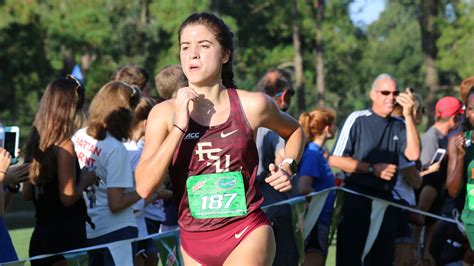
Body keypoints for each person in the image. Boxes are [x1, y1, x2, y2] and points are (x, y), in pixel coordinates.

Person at [135, 12, 304, 266]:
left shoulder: (253, 104)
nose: (193, 54)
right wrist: (180, 127)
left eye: (204, 46)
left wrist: (288, 165)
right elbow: (145, 187)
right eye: (185, 47)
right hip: (194, 240)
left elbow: (295, 131)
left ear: (225, 54)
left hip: (247, 231)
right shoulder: (163, 114)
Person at [329, 73, 421, 266]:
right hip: (356, 197)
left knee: (382, 260)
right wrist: (372, 169)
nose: (391, 97)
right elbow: (335, 159)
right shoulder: (358, 119)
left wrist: (409, 116)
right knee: (351, 259)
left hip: (386, 202)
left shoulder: (400, 124)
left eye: (395, 93)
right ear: (373, 94)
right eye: (385, 92)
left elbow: (413, 155)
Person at [22, 76, 97, 265]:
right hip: (66, 239)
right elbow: (68, 197)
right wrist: (85, 180)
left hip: (41, 237)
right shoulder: (64, 145)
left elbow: (27, 193)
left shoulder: (34, 141)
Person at [72, 81, 141, 266]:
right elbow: (116, 203)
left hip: (88, 229)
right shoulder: (115, 149)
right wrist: (147, 189)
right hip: (116, 232)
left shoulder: (78, 136)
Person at [412, 96, 464, 265]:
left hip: (436, 200)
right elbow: (423, 174)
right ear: (454, 117)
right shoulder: (431, 138)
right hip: (427, 196)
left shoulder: (444, 137)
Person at [255, 68, 299, 266]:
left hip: (245, 212)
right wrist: (287, 168)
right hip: (275, 209)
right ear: (283, 94)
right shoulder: (276, 122)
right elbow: (283, 154)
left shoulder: (242, 116)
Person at [124, 96, 173, 266]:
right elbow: (137, 201)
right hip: (139, 223)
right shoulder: (135, 153)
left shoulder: (128, 148)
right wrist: (160, 193)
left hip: (142, 223)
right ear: (147, 123)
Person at [297, 107, 337, 266]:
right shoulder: (312, 154)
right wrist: (322, 196)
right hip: (314, 219)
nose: (335, 128)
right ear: (327, 128)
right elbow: (303, 187)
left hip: (321, 218)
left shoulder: (319, 153)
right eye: (334, 124)